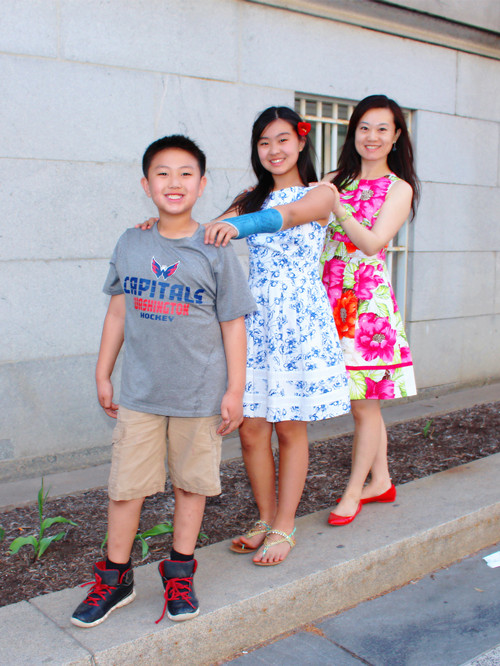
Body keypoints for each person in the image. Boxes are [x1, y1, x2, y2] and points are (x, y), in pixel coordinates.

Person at [70, 135, 256, 628]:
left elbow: (233, 324)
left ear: (202, 184)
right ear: (146, 184)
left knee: (191, 486)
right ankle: (115, 578)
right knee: (125, 488)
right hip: (140, 394)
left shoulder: (216, 249)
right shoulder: (132, 242)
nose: (174, 182)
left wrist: (235, 390)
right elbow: (117, 312)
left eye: (186, 173)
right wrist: (102, 371)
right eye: (163, 173)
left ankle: (179, 574)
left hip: (199, 396)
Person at [204, 106, 350, 565]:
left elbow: (284, 217)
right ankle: (266, 518)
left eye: (282, 139)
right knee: (251, 431)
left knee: (289, 427)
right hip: (254, 322)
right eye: (264, 142)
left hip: (298, 322)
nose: (273, 150)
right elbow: (205, 234)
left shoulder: (321, 194)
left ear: (301, 142)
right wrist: (161, 229)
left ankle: (286, 524)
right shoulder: (250, 197)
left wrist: (238, 224)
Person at [320, 94, 420, 526]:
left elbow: (372, 243)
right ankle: (381, 480)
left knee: (363, 404)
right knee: (366, 404)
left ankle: (353, 492)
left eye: (382, 129)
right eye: (364, 127)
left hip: (366, 306)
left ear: (396, 136)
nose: (372, 136)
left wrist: (336, 205)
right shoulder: (333, 179)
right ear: (353, 132)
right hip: (327, 298)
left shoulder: (399, 188)